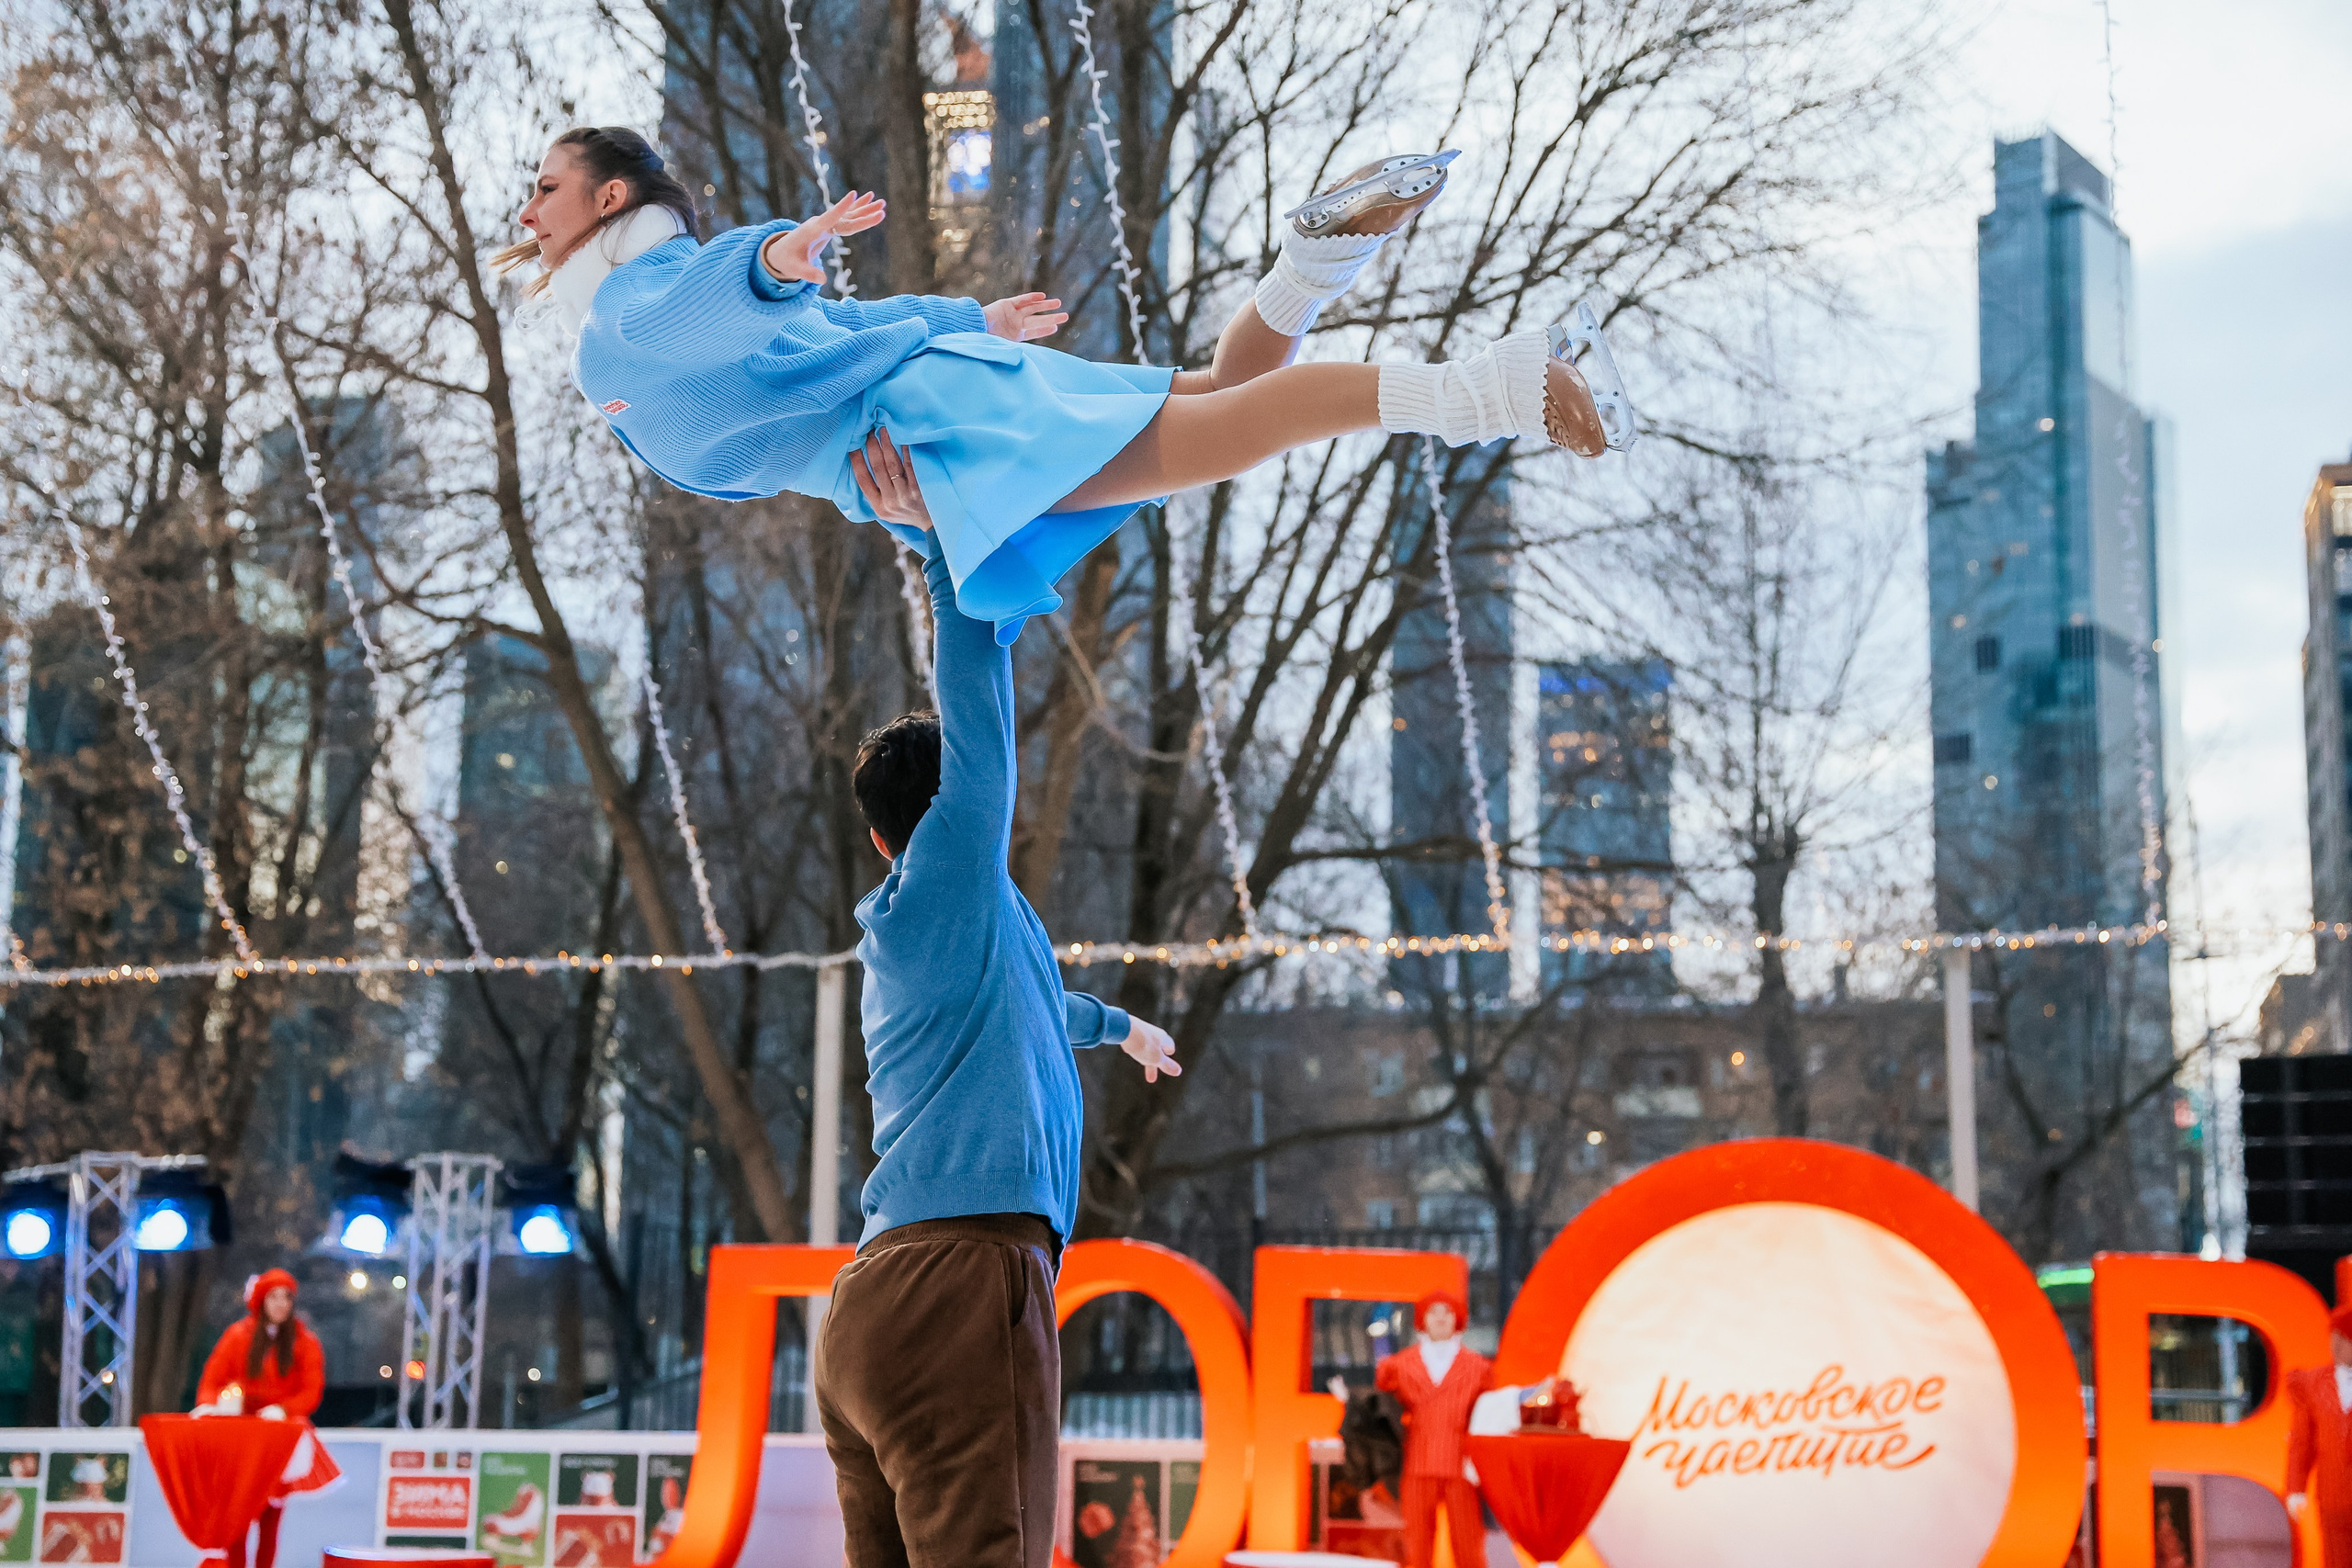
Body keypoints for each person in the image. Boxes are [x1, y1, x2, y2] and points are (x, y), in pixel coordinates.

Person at [500, 126, 1637, 641]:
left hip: (937, 433)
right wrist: (959, 321)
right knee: (1205, 396)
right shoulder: (646, 322)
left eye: (546, 185)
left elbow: (705, 307)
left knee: (1231, 431)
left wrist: (775, 259)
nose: (526, 208)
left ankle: (1498, 391)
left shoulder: (620, 322)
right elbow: (814, 334)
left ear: (610, 202)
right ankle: (1316, 261)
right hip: (935, 401)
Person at [805, 438, 1182, 1568]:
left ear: (874, 832)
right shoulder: (951, 869)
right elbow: (975, 708)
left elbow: (1026, 1019)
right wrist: (931, 537)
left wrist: (1116, 1028)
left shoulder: (943, 939)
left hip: (874, 1310)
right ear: (922, 827)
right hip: (961, 1290)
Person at [194, 1269, 342, 1568]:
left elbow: (311, 1391)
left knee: (270, 1519)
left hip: (278, 1440)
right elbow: (212, 1380)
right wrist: (211, 1406)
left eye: (286, 1297)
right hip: (242, 1439)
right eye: (274, 1297)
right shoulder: (238, 1336)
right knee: (237, 1515)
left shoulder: (305, 1342)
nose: (281, 1304)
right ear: (261, 1301)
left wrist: (284, 1410)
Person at [1374, 1291, 1493, 1568]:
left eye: (1447, 1312)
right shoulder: (1399, 1366)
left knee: (1468, 1547)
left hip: (1461, 1465)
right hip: (1417, 1462)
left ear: (1458, 1319)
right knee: (1416, 1548)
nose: (1440, 1319)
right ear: (1422, 1320)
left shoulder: (1479, 1368)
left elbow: (1488, 1416)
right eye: (1433, 1312)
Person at [2287, 1303, 2352, 1564]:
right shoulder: (2312, 1383)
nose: (2335, 1347)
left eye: (2343, 1339)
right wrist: (2296, 1488)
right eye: (2333, 1338)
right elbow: (2302, 1441)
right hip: (2333, 1497)